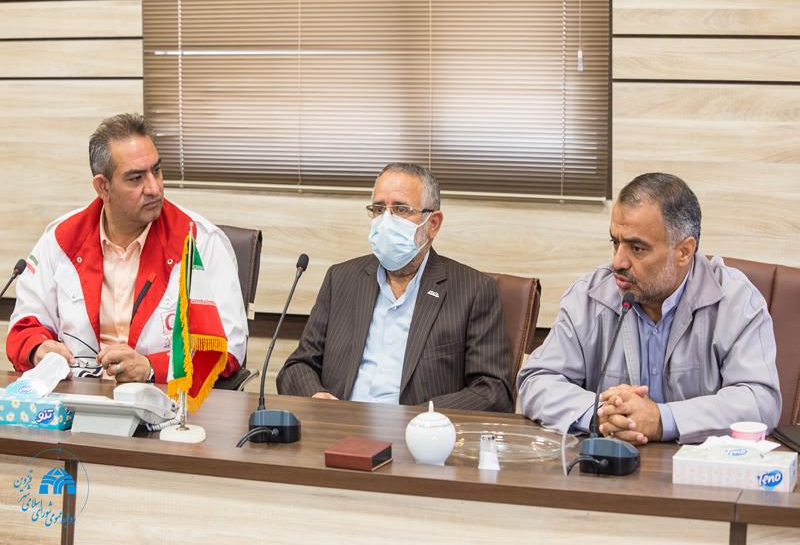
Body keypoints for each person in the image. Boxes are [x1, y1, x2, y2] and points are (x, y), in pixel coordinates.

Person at [517, 173, 781, 444]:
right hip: (609, 464)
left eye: (637, 248)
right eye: (615, 242)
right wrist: (599, 414)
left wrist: (662, 419)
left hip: (698, 467)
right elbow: (536, 380)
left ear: (684, 252)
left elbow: (760, 401)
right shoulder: (589, 296)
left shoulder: (735, 299)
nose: (618, 262)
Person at [6, 113, 247, 383]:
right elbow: (24, 328)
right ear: (103, 187)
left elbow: (227, 348)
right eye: (136, 179)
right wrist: (38, 348)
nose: (154, 188)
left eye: (156, 170)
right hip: (77, 397)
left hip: (162, 399)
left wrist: (151, 367)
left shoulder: (199, 241)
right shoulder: (61, 239)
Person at [277, 163, 513, 411]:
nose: (386, 221)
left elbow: (492, 390)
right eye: (379, 209)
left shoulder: (473, 290)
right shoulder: (341, 279)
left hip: (417, 430)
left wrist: (422, 418)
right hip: (341, 424)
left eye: (401, 209)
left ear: (433, 223)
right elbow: (297, 367)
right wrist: (317, 397)